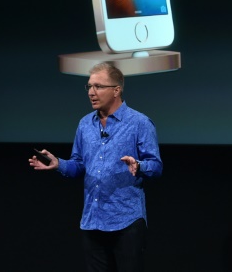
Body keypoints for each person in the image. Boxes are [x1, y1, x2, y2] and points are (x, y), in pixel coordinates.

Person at [29, 61, 163, 272]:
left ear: (116, 90)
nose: (91, 92)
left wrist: (139, 165)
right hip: (92, 220)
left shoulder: (140, 123)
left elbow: (156, 166)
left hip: (126, 221)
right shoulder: (84, 124)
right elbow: (79, 165)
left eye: (98, 86)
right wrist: (58, 164)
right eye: (89, 86)